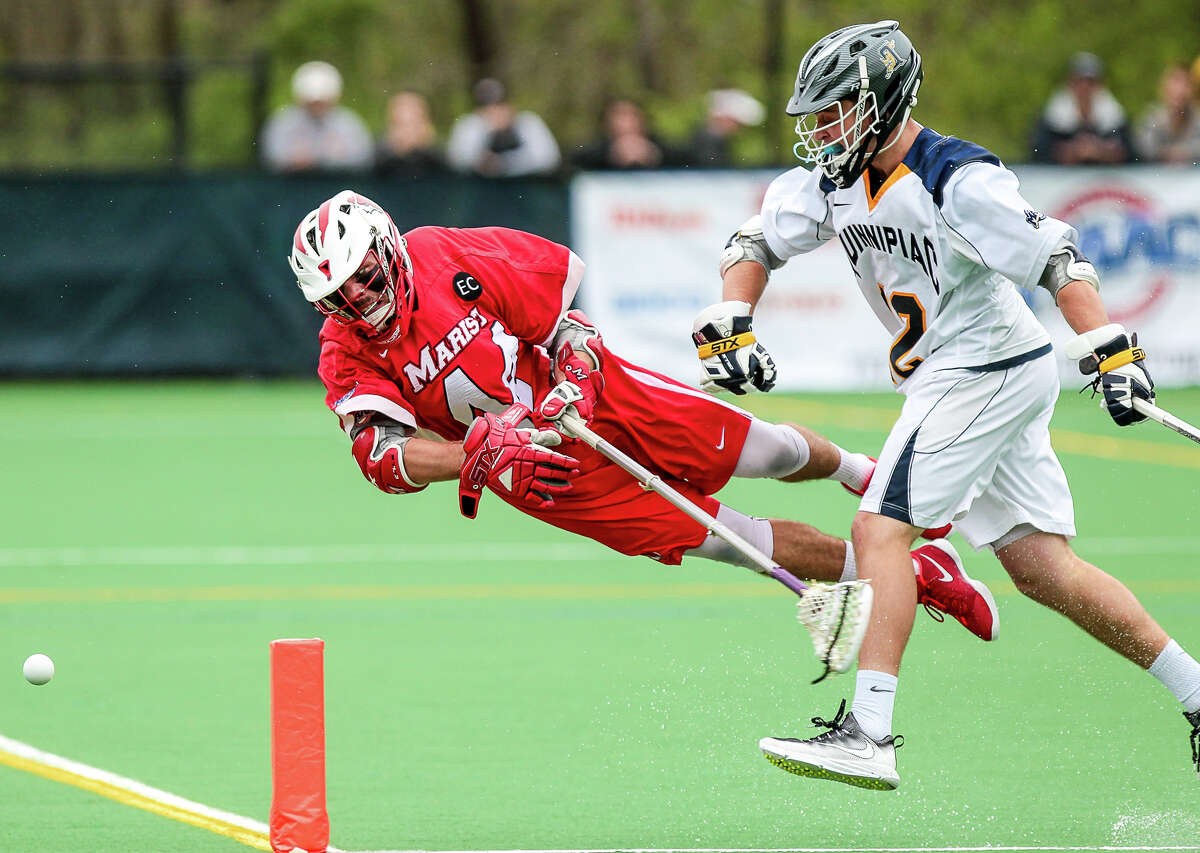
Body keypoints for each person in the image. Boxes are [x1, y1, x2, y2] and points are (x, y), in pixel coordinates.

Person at [693, 20, 1200, 789]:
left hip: (978, 369)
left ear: (883, 101)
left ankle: (868, 731)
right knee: (1042, 568)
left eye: (835, 111)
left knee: (878, 528)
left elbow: (1058, 258)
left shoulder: (955, 177)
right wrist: (733, 318)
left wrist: (1115, 349)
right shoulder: (834, 179)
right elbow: (754, 242)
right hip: (979, 371)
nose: (823, 131)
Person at [287, 190, 1000, 663]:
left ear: (389, 249)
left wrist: (574, 369)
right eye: (337, 296)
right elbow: (381, 456)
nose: (358, 299)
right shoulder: (344, 351)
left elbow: (564, 319)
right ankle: (913, 572)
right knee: (725, 536)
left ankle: (859, 471)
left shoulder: (446, 253)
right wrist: (472, 449)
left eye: (365, 276)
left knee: (762, 448)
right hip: (539, 471)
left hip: (598, 395)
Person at [260, 61, 374, 173]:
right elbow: (271, 158)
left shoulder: (349, 124)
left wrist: (337, 160)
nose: (317, 106)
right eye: (312, 102)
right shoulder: (282, 123)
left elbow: (364, 158)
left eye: (322, 102)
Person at [1029, 52, 1134, 164]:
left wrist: (1102, 153)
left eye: (1090, 82)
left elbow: (1132, 154)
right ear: (1070, 83)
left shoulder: (1114, 117)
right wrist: (1069, 152)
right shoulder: (1053, 117)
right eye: (1080, 81)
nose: (1085, 87)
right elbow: (1038, 154)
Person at [445, 78, 561, 177]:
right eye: (487, 108)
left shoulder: (527, 122)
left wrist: (505, 163)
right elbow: (456, 159)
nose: (494, 113)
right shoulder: (471, 124)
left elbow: (548, 159)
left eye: (498, 106)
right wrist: (486, 131)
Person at [571, 98, 675, 171]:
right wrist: (611, 154)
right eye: (619, 116)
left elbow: (684, 158)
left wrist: (654, 154)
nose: (625, 123)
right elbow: (572, 162)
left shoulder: (657, 145)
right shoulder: (597, 149)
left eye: (631, 115)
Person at [1135, 63, 1200, 165]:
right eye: (1176, 83)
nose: (1180, 91)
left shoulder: (1197, 119)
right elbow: (1142, 149)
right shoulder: (1152, 117)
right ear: (1164, 88)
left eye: (1186, 84)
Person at [684, 88, 766, 168]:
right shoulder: (707, 147)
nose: (739, 130)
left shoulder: (701, 142)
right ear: (725, 118)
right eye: (738, 123)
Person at [375, 91, 448, 177]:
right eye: (400, 124)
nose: (407, 132)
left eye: (414, 124)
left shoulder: (444, 163)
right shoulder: (373, 163)